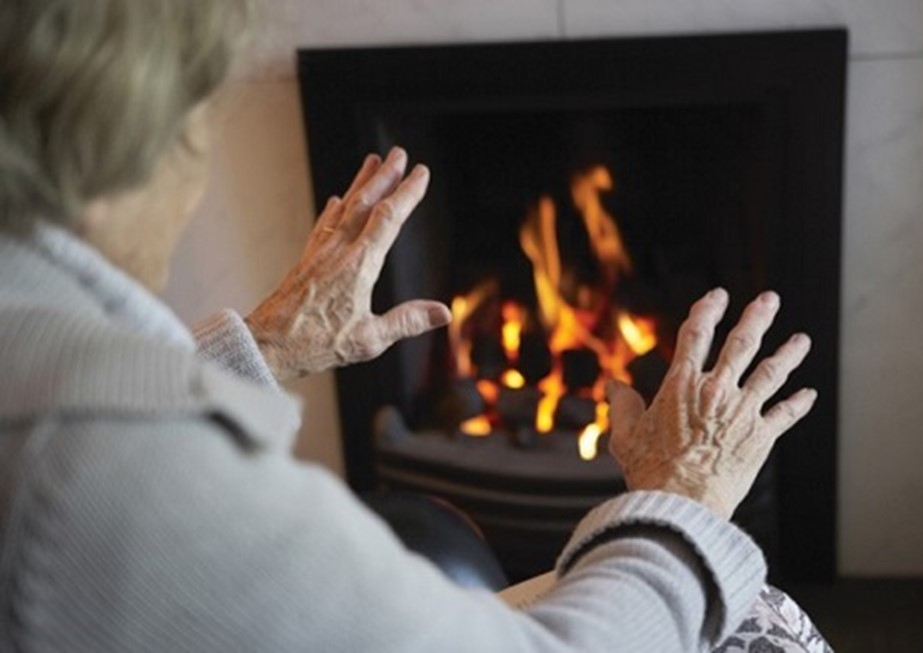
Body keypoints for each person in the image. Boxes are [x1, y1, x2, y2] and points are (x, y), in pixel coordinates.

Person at [0, 1, 830, 651]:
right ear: (110, 153)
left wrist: (263, 346)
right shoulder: (107, 467)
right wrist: (678, 499)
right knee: (749, 614)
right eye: (194, 121)